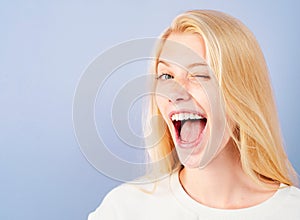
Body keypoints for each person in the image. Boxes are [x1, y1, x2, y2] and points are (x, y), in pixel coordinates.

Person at [88, 10, 300, 219]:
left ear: (242, 91)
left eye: (199, 74)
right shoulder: (124, 209)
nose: (175, 93)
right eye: (166, 75)